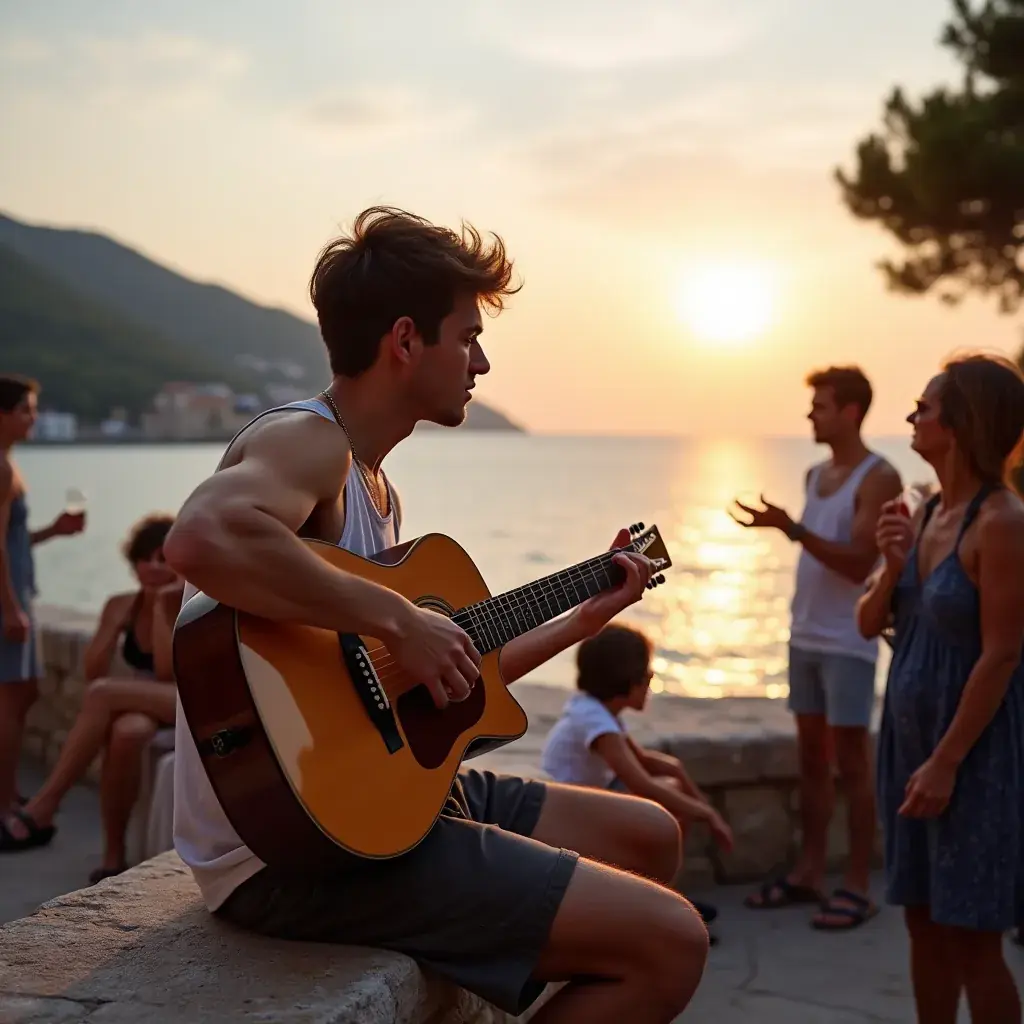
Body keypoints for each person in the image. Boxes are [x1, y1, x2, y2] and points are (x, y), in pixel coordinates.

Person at [162, 207, 709, 1024]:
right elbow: (203, 535)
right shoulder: (309, 445)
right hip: (290, 849)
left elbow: (440, 678)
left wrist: (580, 622)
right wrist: (399, 619)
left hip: (378, 804)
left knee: (650, 837)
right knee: (673, 942)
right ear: (406, 341)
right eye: (467, 336)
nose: (481, 362)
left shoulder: (378, 492)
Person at [858, 353, 1024, 1024]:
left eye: (923, 408)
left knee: (973, 940)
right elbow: (872, 622)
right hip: (909, 747)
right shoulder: (925, 514)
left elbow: (1003, 653)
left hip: (970, 757)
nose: (911, 417)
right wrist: (891, 562)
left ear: (960, 423)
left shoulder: (1004, 523)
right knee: (922, 925)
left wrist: (947, 763)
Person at [731, 365, 902, 929]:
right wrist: (787, 528)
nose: (810, 415)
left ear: (851, 412)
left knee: (852, 765)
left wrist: (794, 531)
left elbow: (859, 564)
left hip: (848, 641)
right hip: (804, 635)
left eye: (820, 406)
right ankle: (808, 874)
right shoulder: (813, 474)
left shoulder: (880, 478)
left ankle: (856, 884)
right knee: (811, 762)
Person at [0, 513, 182, 877]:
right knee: (126, 733)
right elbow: (93, 670)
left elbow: (167, 673)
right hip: (144, 700)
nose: (152, 567)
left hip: (185, 697)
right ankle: (114, 858)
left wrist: (162, 609)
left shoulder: (184, 602)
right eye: (144, 559)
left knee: (101, 695)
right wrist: (114, 625)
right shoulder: (121, 604)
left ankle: (43, 806)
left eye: (163, 559)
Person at [541, 622, 734, 929]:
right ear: (628, 681)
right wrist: (707, 813)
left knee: (669, 790)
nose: (651, 681)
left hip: (588, 797)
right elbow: (639, 781)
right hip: (571, 814)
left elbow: (644, 761)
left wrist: (678, 773)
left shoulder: (597, 708)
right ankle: (659, 913)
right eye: (647, 675)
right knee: (663, 809)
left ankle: (664, 902)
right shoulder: (594, 719)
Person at [0, 374, 85, 825]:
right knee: (12, 700)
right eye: (26, 410)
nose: (33, 418)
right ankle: (4, 802)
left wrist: (53, 531)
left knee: (21, 694)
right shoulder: (2, 468)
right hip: (8, 601)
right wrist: (11, 607)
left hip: (15, 594)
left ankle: (8, 792)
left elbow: (11, 541)